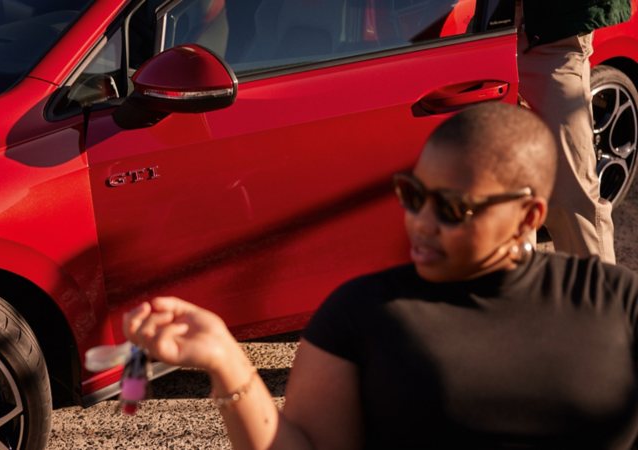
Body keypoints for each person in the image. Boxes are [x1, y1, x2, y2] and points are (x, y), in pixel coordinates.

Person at [123, 103, 638, 449]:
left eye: (452, 209)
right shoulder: (359, 313)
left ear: (529, 216)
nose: (421, 221)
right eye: (412, 195)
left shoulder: (616, 301)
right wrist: (228, 364)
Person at [517, 0, 631, 264]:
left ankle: (598, 302)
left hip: (550, 38)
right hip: (474, 32)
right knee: (507, 196)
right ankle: (519, 300)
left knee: (572, 197)